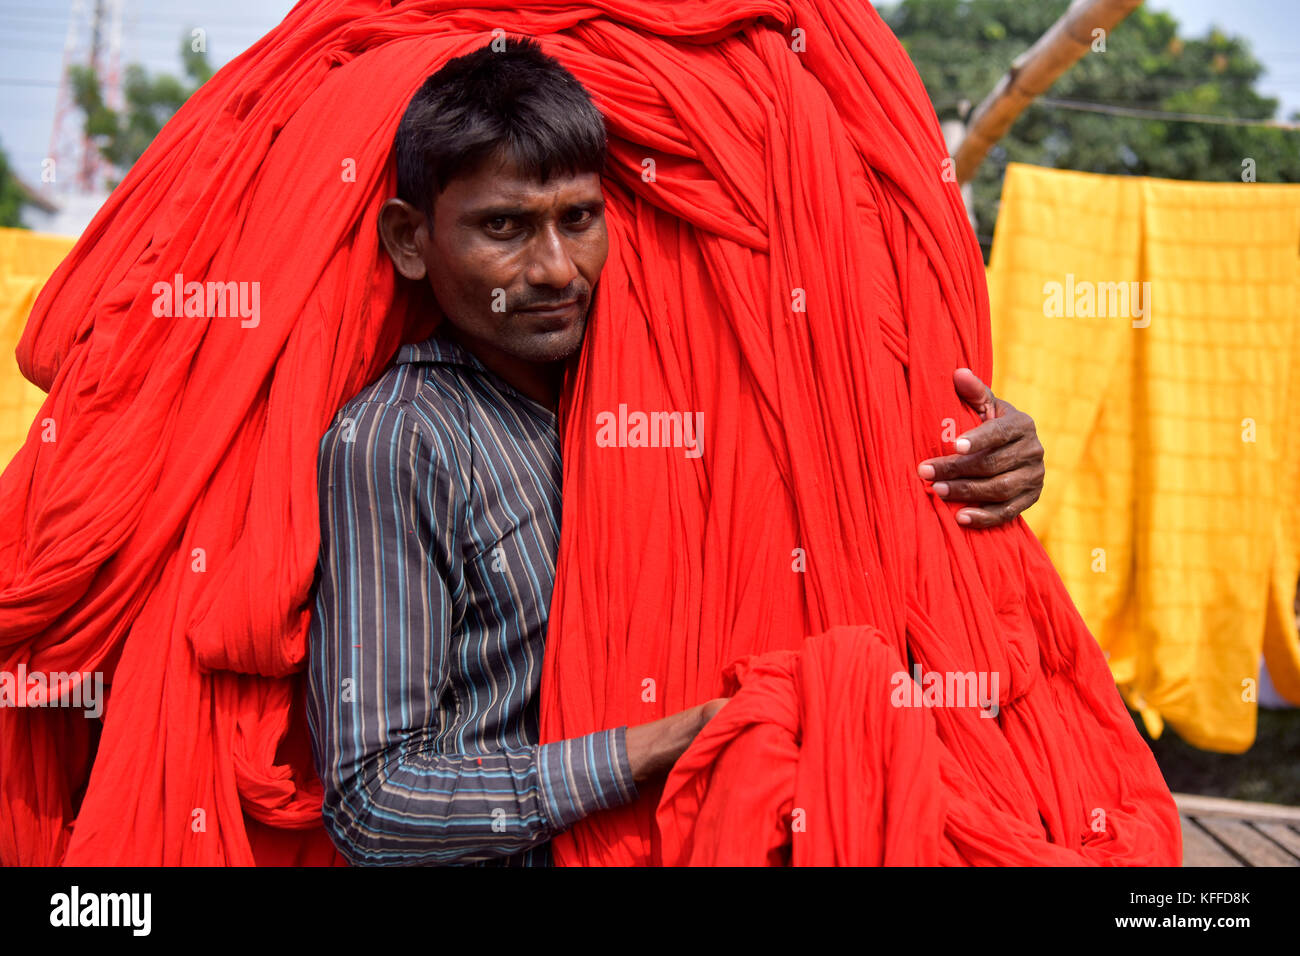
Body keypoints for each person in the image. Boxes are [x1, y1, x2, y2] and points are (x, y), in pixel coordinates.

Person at [305, 35, 1046, 867]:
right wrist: (663, 743)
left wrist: (986, 455)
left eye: (578, 220)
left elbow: (869, 473)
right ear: (409, 240)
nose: (554, 268)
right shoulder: (405, 439)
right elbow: (374, 801)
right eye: (503, 227)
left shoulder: (683, 382)